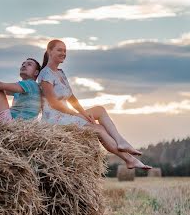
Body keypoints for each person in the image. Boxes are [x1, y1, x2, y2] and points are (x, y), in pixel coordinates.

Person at [37, 39, 151, 170]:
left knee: (100, 110)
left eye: (65, 50)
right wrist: (78, 115)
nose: (63, 53)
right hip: (54, 118)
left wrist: (85, 114)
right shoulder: (45, 74)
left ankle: (120, 141)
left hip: (65, 114)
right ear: (49, 51)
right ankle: (130, 160)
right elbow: (54, 103)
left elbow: (72, 98)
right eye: (59, 50)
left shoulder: (61, 73)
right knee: (99, 129)